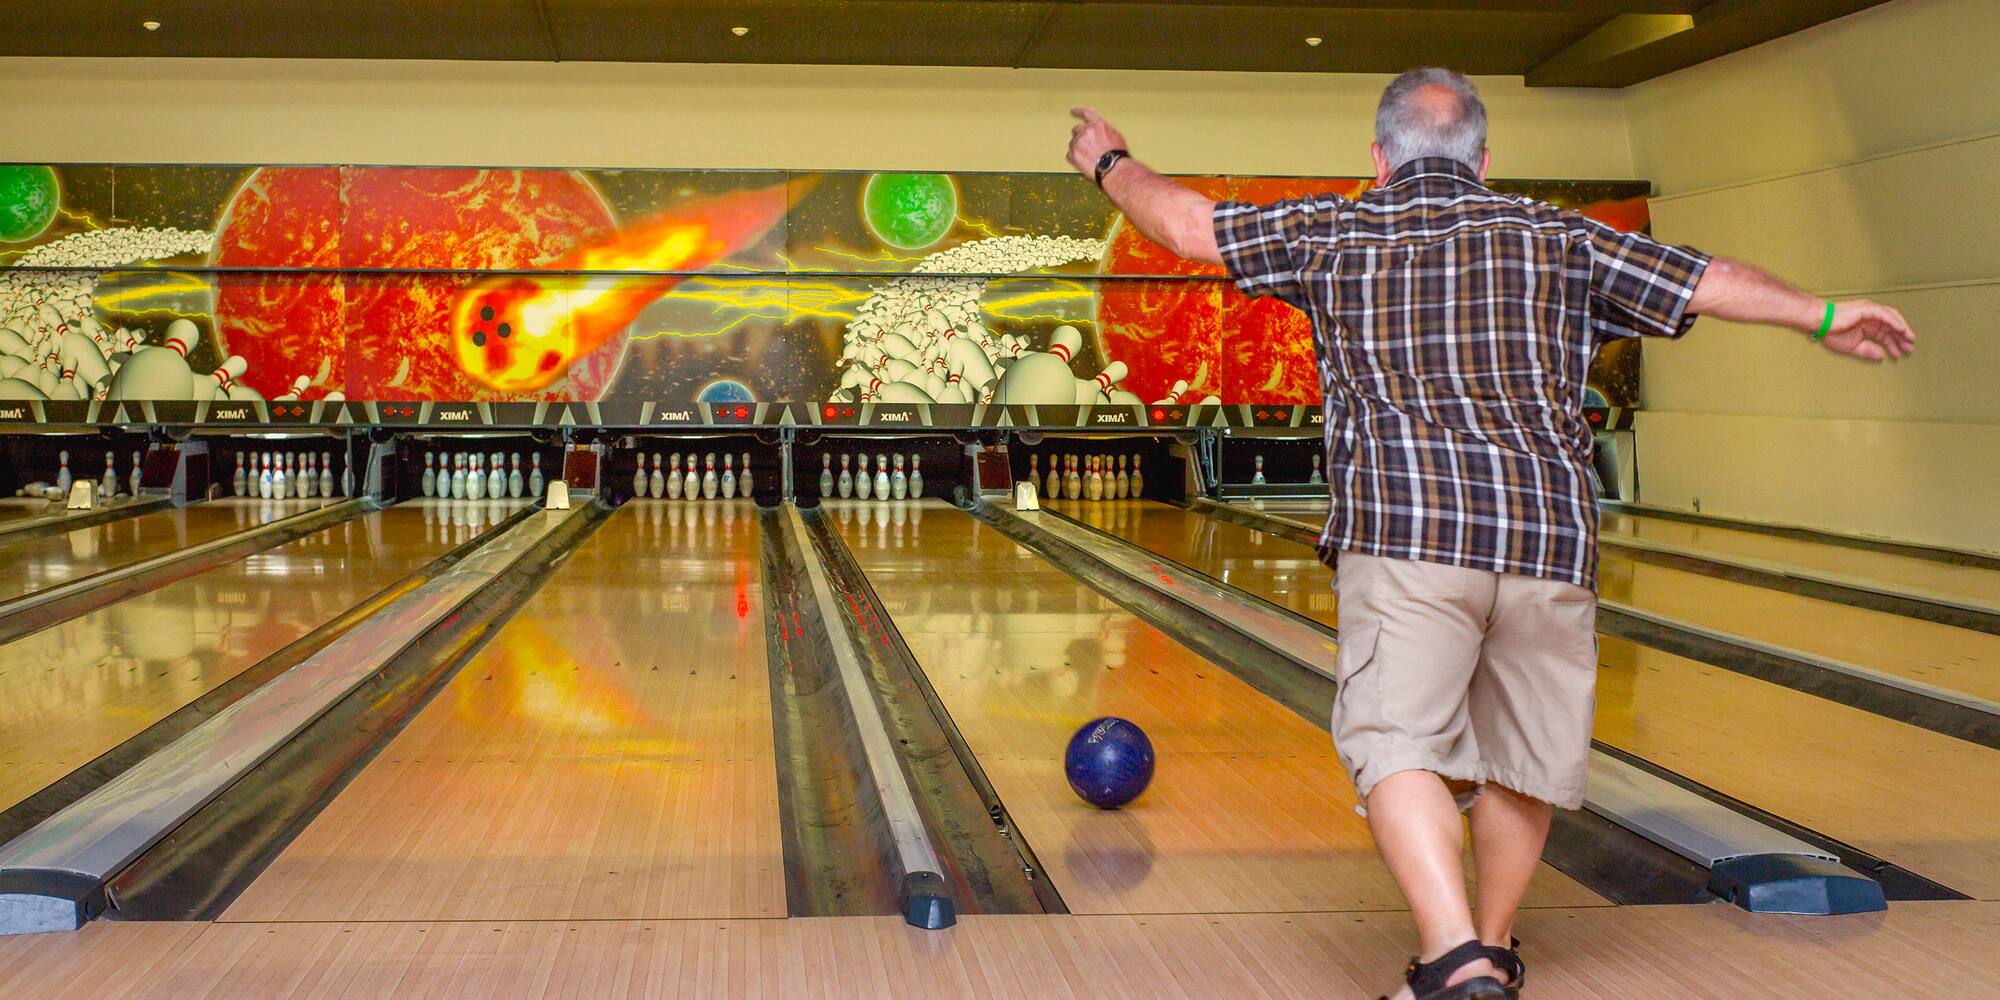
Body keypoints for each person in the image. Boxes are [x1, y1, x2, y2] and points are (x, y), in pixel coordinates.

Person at [1064, 67, 1914, 1000]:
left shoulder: (1341, 229)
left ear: (1380, 157)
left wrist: (1107, 159)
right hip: (1549, 543)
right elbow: (1707, 280)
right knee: (1521, 765)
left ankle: (1454, 953)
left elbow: (1186, 224)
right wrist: (1825, 315)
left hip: (1408, 535)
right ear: (1485, 156)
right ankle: (1492, 954)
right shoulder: (1561, 236)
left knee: (1395, 746)